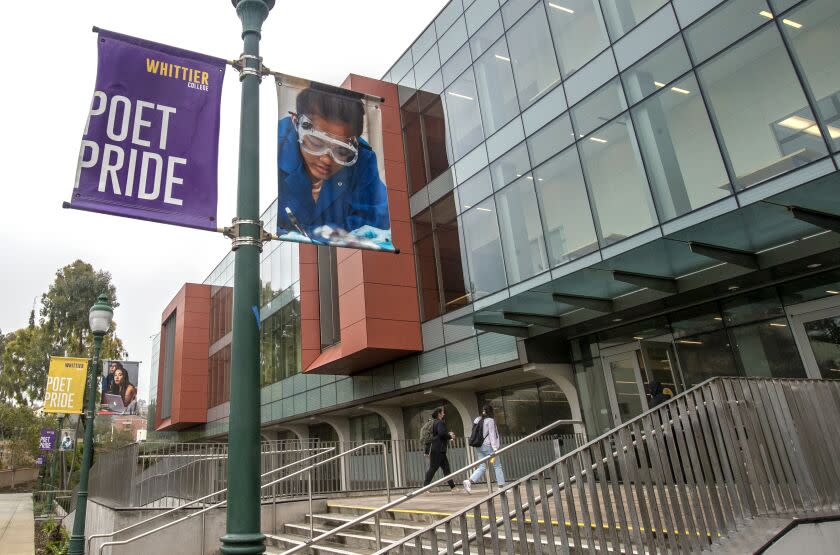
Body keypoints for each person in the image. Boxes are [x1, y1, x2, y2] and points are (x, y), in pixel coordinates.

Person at [276, 85, 391, 246]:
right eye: (316, 142)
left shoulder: (363, 160)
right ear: (297, 123)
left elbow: (375, 219)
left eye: (341, 151)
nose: (326, 160)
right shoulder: (273, 146)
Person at [463, 404, 505, 494]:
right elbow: (492, 434)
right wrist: (495, 448)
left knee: (482, 466)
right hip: (488, 446)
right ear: (491, 411)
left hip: (479, 446)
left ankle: (469, 481)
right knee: (497, 466)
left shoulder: (477, 419)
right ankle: (501, 487)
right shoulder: (490, 420)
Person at [423, 407, 459, 493]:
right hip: (438, 449)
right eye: (443, 412)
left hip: (438, 449)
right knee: (433, 468)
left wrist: (448, 436)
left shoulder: (434, 423)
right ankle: (424, 488)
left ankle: (453, 488)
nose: (444, 414)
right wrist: (450, 436)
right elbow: (442, 433)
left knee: (446, 468)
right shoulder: (440, 422)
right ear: (439, 413)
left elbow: (438, 435)